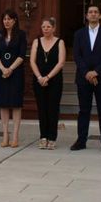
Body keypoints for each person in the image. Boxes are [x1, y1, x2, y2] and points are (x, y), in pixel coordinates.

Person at [71, 5, 101, 153]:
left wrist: (96, 72)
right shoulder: (79, 34)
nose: (93, 14)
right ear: (86, 16)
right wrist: (87, 73)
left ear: (100, 16)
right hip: (83, 78)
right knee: (84, 110)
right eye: (90, 12)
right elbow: (77, 55)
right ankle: (81, 140)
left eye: (96, 12)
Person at [29, 17, 66, 150]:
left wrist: (48, 77)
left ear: (53, 28)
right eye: (44, 27)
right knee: (42, 108)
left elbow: (61, 62)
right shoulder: (36, 42)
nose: (46, 29)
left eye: (48, 27)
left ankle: (52, 138)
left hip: (54, 80)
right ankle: (43, 137)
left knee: (53, 109)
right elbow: (32, 61)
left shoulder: (60, 42)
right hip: (39, 80)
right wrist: (39, 77)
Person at [0, 9, 27, 148]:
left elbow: (21, 55)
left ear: (14, 20)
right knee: (3, 104)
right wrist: (3, 69)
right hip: (2, 73)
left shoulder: (21, 34)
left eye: (9, 19)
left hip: (16, 72)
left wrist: (10, 69)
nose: (6, 21)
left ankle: (15, 136)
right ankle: (5, 134)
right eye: (4, 19)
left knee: (16, 104)